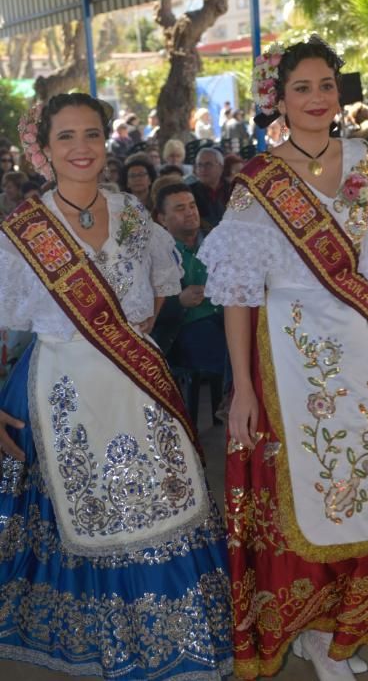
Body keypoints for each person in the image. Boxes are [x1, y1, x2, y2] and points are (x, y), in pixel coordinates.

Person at [198, 35, 368, 681]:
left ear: (338, 92)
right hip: (290, 359)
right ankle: (310, 630)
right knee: (305, 493)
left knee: (365, 487)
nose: (314, 99)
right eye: (299, 88)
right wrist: (243, 387)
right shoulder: (257, 182)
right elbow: (239, 296)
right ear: (277, 97)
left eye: (324, 85)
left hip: (359, 355)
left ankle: (346, 620)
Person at [0, 93, 232, 679]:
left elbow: (159, 285)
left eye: (92, 135)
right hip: (59, 390)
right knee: (86, 516)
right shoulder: (21, 232)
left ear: (107, 141)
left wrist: (135, 329)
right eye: (66, 137)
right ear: (44, 149)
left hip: (137, 385)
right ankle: (106, 641)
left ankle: (175, 642)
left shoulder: (131, 212)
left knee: (161, 508)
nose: (81, 148)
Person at [153, 183, 226, 424]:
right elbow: (143, 307)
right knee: (232, 354)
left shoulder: (216, 240)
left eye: (192, 205)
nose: (190, 212)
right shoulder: (155, 253)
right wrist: (178, 301)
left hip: (223, 319)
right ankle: (234, 399)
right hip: (182, 331)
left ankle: (232, 398)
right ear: (162, 219)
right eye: (180, 208)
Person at [191, 148, 230, 230]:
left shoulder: (233, 190)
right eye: (199, 165)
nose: (203, 169)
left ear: (221, 167)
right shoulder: (189, 192)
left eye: (208, 165)